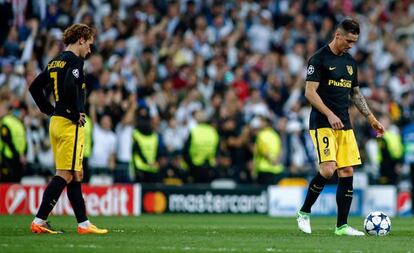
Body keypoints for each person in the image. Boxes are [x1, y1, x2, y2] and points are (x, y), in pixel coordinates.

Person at [296, 18, 385, 236]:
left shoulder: (350, 62)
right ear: (337, 35)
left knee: (346, 170)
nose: (350, 45)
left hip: (344, 124)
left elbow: (355, 94)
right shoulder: (318, 59)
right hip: (322, 122)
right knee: (328, 169)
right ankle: (304, 212)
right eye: (348, 40)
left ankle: (342, 226)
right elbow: (309, 92)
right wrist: (329, 114)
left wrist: (371, 118)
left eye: (354, 42)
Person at [28, 24, 108, 234]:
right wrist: (74, 113)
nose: (89, 50)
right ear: (81, 39)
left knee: (75, 173)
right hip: (69, 124)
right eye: (89, 45)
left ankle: (83, 224)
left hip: (56, 122)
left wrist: (49, 110)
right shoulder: (75, 61)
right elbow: (69, 85)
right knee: (64, 173)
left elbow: (34, 87)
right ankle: (39, 220)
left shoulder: (56, 61)